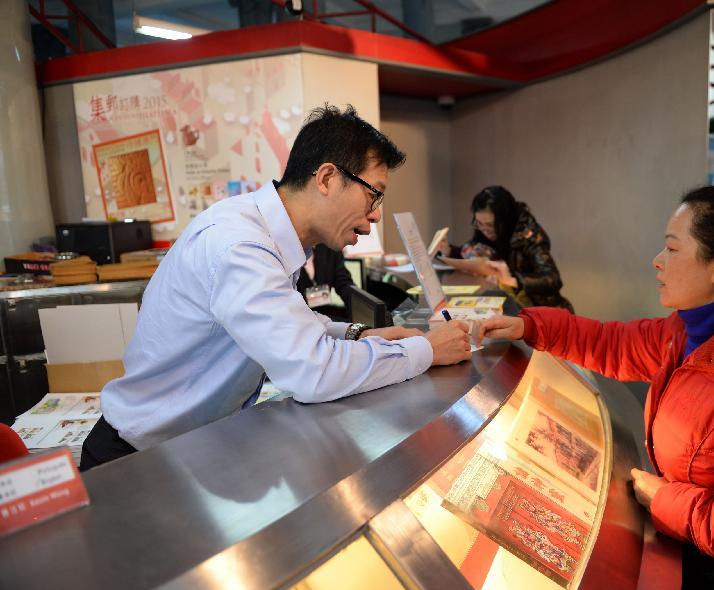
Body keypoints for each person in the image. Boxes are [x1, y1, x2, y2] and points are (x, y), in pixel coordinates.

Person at [474, 186, 714, 590]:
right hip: (704, 555)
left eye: (672, 249)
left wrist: (666, 500)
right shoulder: (695, 328)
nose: (657, 261)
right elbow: (615, 344)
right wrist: (531, 327)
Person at [81, 105, 471, 471]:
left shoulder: (271, 233)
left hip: (186, 448)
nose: (375, 214)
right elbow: (312, 372)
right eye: (373, 193)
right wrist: (425, 349)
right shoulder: (242, 246)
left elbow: (287, 322)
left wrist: (359, 333)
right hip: (137, 460)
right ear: (327, 178)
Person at [439, 186, 573, 311]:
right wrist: (449, 251)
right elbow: (472, 255)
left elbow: (552, 279)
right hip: (511, 307)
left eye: (490, 225)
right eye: (479, 223)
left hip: (545, 313)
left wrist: (513, 280)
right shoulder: (483, 232)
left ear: (504, 221)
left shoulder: (529, 235)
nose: (485, 230)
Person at [297, 243, 356, 321]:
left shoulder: (329, 248)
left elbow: (344, 283)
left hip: (325, 319)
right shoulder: (283, 252)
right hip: (298, 321)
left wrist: (359, 308)